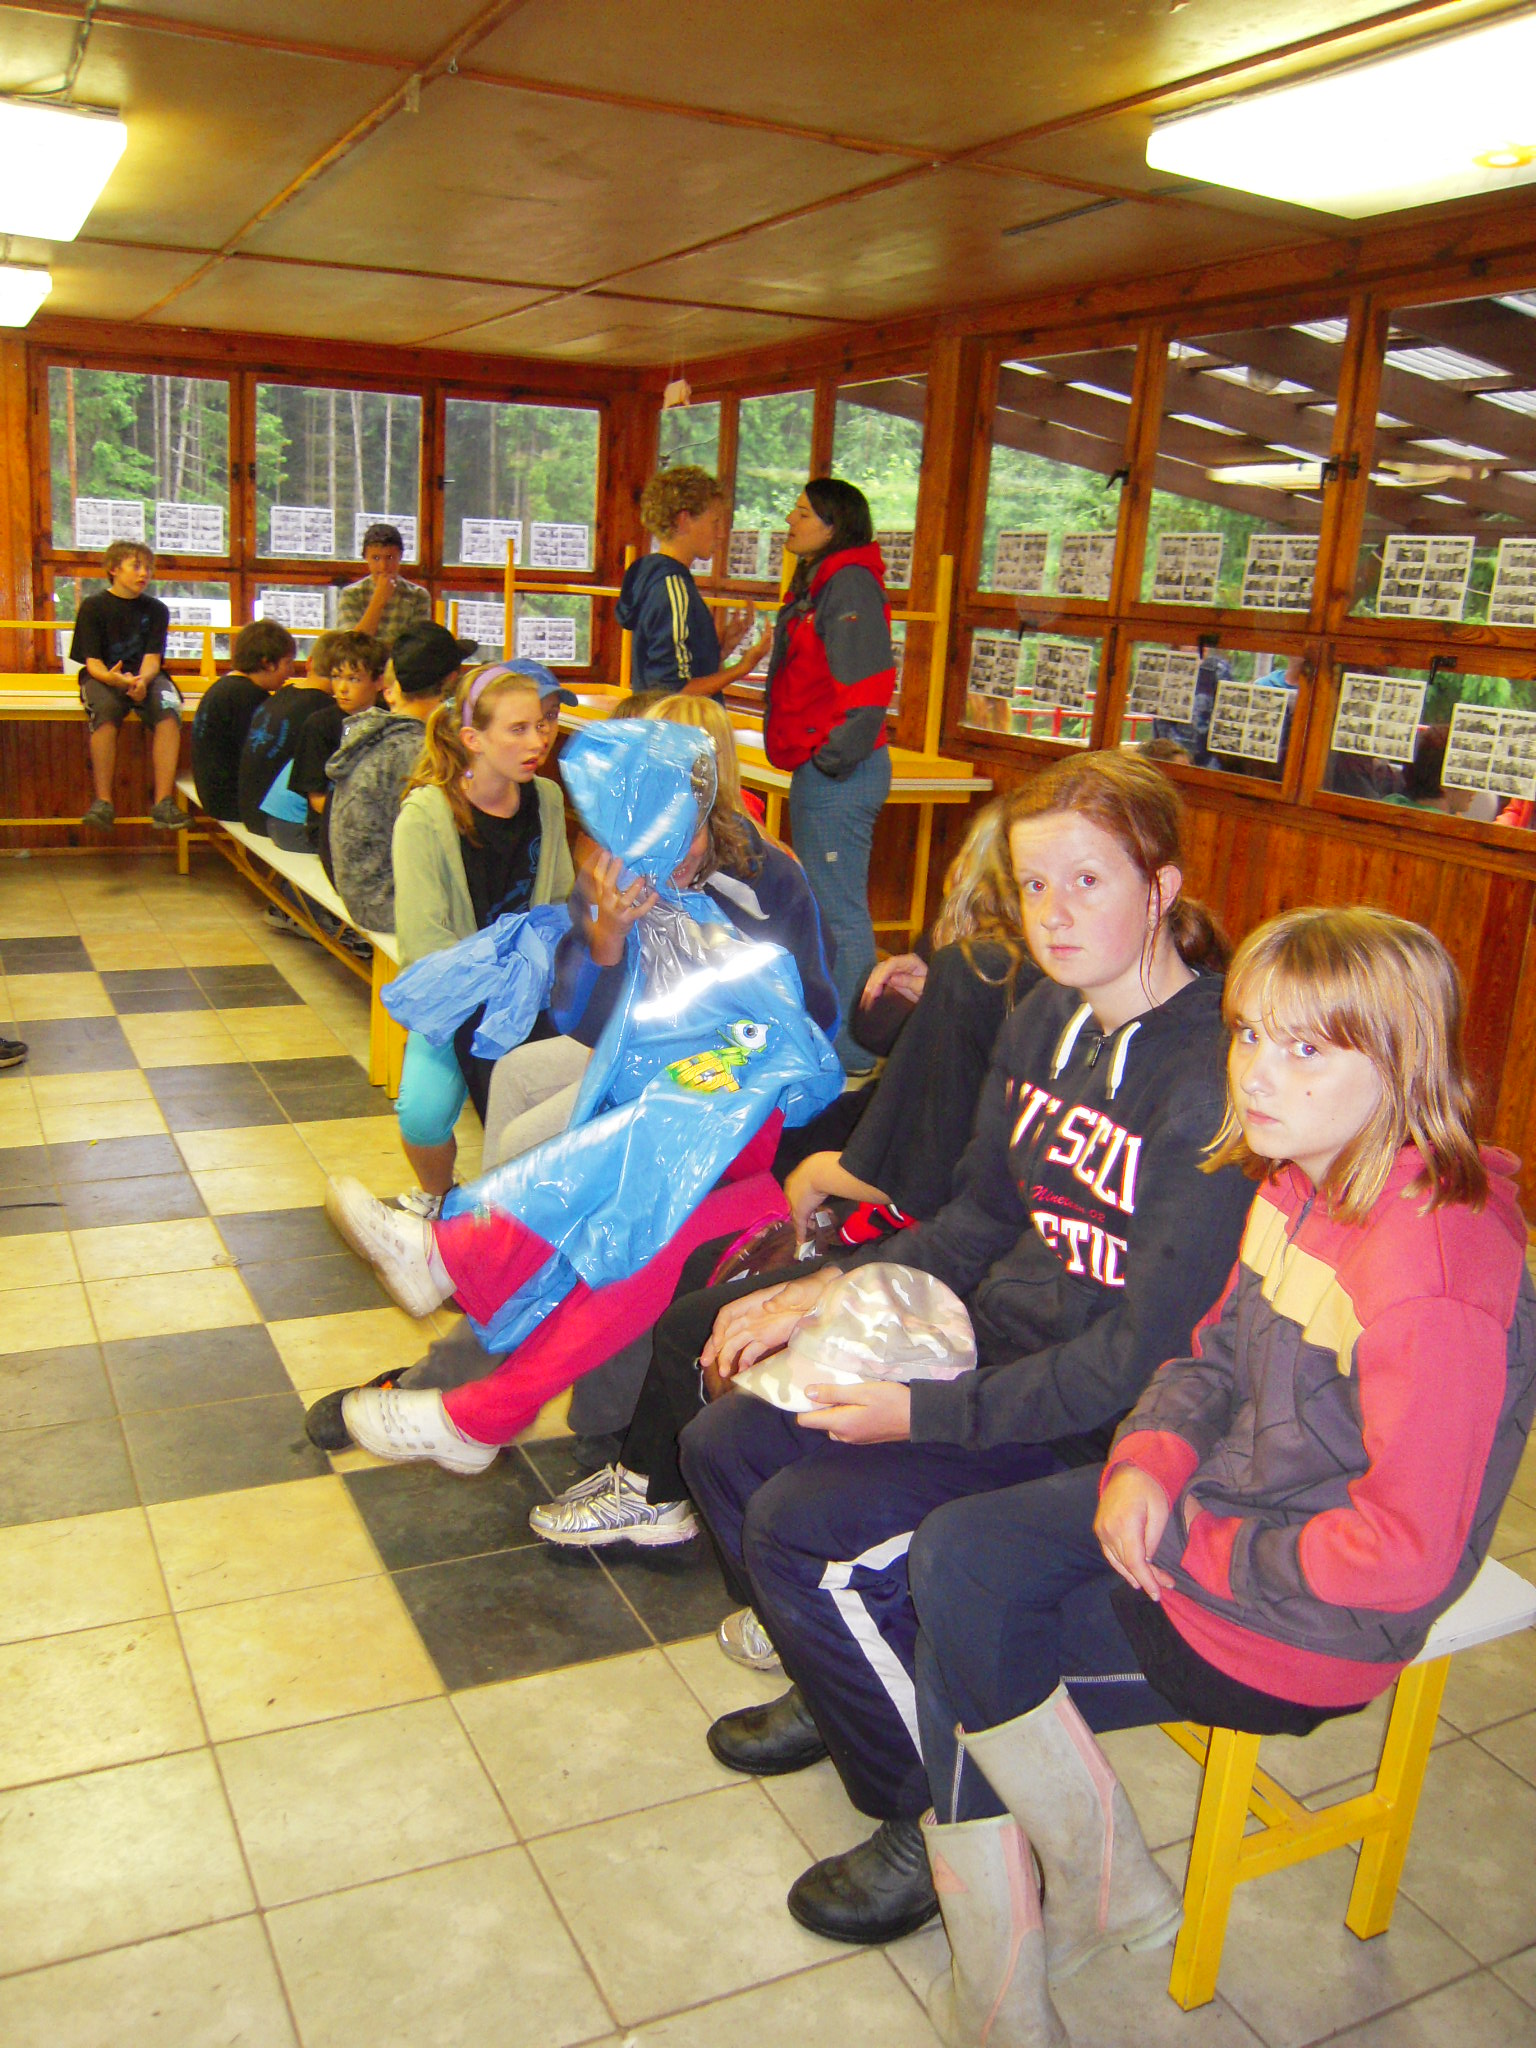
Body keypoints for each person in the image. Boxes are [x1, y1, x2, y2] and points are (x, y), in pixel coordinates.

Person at [907, 907, 1536, 2045]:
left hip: (1299, 1627)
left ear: (1401, 1060)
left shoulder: (1431, 1272)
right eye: (1248, 1032)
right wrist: (1148, 1461)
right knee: (958, 1552)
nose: (1255, 1071)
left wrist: (1189, 1535)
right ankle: (1103, 1894)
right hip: (1227, 1511)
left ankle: (1014, 1983)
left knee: (964, 1632)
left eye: (1305, 1046)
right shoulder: (1300, 1179)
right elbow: (1209, 1357)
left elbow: (1403, 1557)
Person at [675, 751, 1256, 1947]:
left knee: (803, 1522)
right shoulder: (1046, 1016)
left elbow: (1143, 1354)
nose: (1053, 914)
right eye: (1035, 884)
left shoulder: (1212, 1081)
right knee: (728, 1438)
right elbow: (982, 1214)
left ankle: (936, 1813)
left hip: (1109, 1418)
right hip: (998, 1349)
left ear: (1162, 887)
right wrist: (826, 1286)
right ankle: (840, 1678)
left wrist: (925, 1413)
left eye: (1088, 881)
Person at [304, 696, 840, 1454]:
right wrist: (608, 936)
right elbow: (582, 1023)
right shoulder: (616, 864)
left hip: (733, 1098)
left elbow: (814, 1024)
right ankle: (478, 1287)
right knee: (525, 1089)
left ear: (708, 794)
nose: (644, 833)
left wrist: (727, 977)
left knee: (580, 1178)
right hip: (638, 1068)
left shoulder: (766, 878)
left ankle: (464, 1318)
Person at [533, 797, 1040, 1556]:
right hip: (875, 1167)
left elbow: (929, 1164)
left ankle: (654, 1486)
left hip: (912, 1217)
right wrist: (906, 995)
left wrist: (820, 1171)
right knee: (675, 1207)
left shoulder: (979, 973)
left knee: (694, 1292)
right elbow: (877, 1045)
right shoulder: (982, 974)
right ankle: (640, 1460)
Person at [391, 659, 576, 1206]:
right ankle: (437, 1199)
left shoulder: (547, 798)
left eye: (541, 725)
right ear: (474, 739)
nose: (538, 741)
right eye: (517, 729)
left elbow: (559, 904)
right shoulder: (424, 815)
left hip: (532, 987)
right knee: (422, 1114)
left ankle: (515, 1212)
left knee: (540, 1103)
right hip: (454, 993)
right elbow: (425, 946)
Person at [766, 478, 897, 1074]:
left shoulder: (848, 583)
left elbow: (867, 691)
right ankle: (832, 1038)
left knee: (841, 913)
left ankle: (852, 1049)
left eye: (802, 513)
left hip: (840, 772)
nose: (789, 521)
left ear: (833, 524)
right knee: (828, 907)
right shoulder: (821, 581)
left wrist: (830, 758)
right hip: (824, 767)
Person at [327, 621, 475, 933]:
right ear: (451, 681)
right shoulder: (417, 749)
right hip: (383, 901)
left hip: (359, 887)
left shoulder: (378, 731)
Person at [616, 466, 770, 699]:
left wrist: (717, 650)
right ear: (684, 521)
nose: (721, 534)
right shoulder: (671, 588)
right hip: (675, 721)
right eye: (715, 523)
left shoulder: (654, 577)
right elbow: (672, 692)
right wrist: (742, 668)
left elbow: (675, 671)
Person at [70, 540, 190, 832]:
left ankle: (163, 803)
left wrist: (142, 681)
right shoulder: (93, 607)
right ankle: (103, 802)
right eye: (136, 566)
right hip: (104, 677)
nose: (144, 573)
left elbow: (152, 659)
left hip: (146, 676)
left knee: (169, 710)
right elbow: (93, 663)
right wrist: (114, 680)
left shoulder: (157, 609)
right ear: (113, 569)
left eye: (148, 567)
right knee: (106, 712)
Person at [284, 631, 388, 855]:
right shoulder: (319, 725)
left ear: (379, 681)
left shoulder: (390, 720)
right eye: (336, 677)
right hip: (331, 827)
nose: (341, 688)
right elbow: (316, 799)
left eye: (353, 679)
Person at [190, 619, 297, 821]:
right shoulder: (247, 696)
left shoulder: (225, 686)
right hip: (231, 803)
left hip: (215, 797)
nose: (291, 672)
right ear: (266, 663)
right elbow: (263, 760)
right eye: (288, 663)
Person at [236, 636, 338, 839]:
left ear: (309, 662)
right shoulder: (325, 712)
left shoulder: (283, 693)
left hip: (249, 811)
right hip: (273, 819)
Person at [336, 522, 431, 647]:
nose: (383, 566)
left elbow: (417, 647)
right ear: (366, 557)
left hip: (399, 660)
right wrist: (379, 599)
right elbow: (352, 646)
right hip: (362, 659)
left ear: (400, 556)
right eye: (376, 558)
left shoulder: (418, 595)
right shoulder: (351, 594)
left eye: (390, 557)